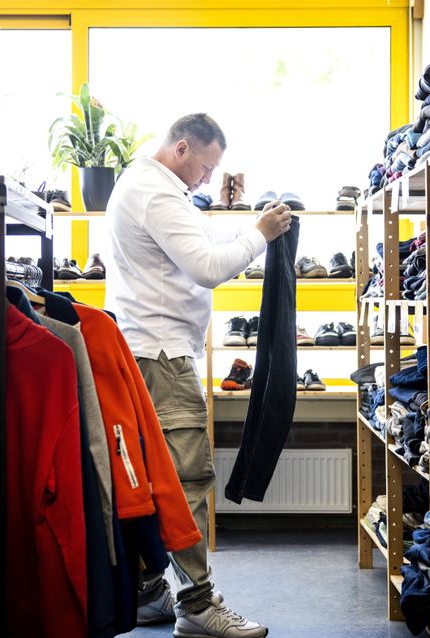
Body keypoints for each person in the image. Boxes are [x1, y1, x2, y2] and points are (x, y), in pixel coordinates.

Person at [104, 113, 292, 638]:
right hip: (162, 360)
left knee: (152, 480)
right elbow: (208, 268)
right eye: (206, 168)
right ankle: (198, 605)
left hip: (147, 353)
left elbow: (197, 253)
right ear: (182, 148)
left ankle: (147, 592)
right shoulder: (156, 193)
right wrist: (261, 233)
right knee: (185, 482)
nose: (208, 179)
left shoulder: (148, 186)